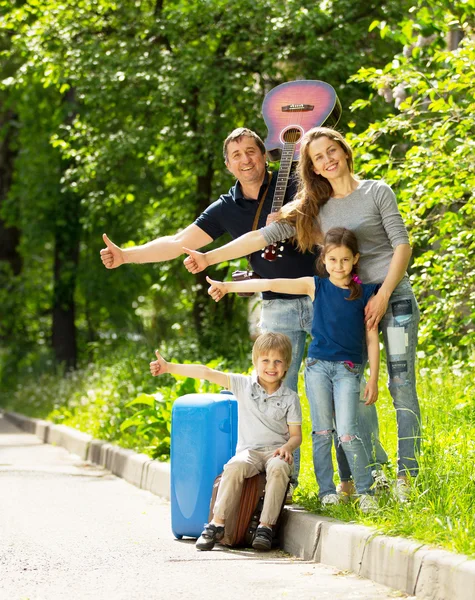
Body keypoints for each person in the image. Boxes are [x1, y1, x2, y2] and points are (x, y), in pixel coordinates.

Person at [183, 126, 420, 502]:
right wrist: (209, 257)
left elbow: (402, 245)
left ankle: (409, 479)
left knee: (402, 386)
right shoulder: (314, 208)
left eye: (331, 151)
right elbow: (262, 236)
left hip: (395, 301)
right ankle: (370, 477)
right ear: (311, 168)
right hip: (354, 307)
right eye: (317, 158)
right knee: (357, 395)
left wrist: (385, 294)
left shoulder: (377, 191)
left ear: (344, 150)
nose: (327, 160)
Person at [100, 127, 319, 490]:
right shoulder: (226, 207)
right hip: (277, 305)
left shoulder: (293, 184)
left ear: (265, 154)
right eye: (237, 155)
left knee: (333, 387)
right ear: (228, 165)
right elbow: (178, 243)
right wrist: (127, 255)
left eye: (252, 151)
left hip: (320, 293)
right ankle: (283, 482)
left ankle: (343, 484)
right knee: (274, 393)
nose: (246, 159)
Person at [205, 227, 379, 511]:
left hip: (349, 370)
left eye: (345, 260)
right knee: (322, 432)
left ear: (355, 259)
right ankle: (326, 492)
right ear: (324, 260)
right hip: (317, 368)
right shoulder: (315, 286)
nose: (339, 266)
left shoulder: (366, 293)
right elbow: (272, 283)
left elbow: (372, 338)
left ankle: (365, 491)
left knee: (347, 431)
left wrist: (373, 377)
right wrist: (227, 286)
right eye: (333, 260)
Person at [149, 332, 302, 551]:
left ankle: (265, 527)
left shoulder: (290, 398)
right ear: (255, 362)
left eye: (278, 361)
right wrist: (169, 367)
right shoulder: (243, 385)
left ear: (286, 365)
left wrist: (287, 447)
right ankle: (216, 524)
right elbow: (205, 372)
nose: (271, 366)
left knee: (278, 468)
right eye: (265, 360)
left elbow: (296, 435)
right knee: (233, 466)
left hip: (275, 452)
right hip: (249, 452)